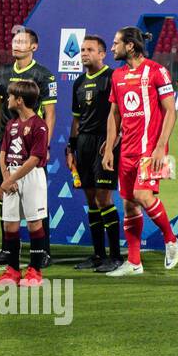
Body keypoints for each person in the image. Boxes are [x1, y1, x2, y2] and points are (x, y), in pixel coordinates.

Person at [102, 27, 178, 276]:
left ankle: (170, 239)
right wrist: (109, 147)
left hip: (152, 149)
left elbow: (171, 110)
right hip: (127, 150)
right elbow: (114, 115)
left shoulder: (157, 71)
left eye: (116, 43)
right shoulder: (117, 76)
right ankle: (134, 263)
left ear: (130, 46)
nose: (112, 48)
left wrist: (160, 148)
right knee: (128, 204)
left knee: (142, 195)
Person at [0, 27, 56, 268]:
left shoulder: (44, 75)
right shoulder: (2, 72)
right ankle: (7, 250)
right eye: (14, 40)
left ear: (34, 46)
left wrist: (46, 144)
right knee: (4, 192)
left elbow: (51, 114)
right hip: (5, 138)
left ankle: (42, 252)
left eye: (22, 41)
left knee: (35, 199)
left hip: (31, 140)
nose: (16, 44)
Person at [66, 35, 122, 272]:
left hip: (104, 143)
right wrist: (71, 147)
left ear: (102, 53)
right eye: (82, 49)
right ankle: (98, 255)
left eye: (90, 49)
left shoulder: (112, 78)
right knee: (91, 201)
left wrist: (113, 141)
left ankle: (116, 256)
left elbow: (119, 113)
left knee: (104, 199)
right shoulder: (78, 83)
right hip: (84, 145)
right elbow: (76, 120)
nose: (84, 53)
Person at [0, 81, 50, 287]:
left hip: (31, 176)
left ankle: (35, 271)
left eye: (10, 96)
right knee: (10, 224)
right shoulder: (11, 124)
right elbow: (2, 152)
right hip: (11, 176)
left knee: (35, 223)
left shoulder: (39, 125)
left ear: (19, 100)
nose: (7, 99)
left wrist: (11, 180)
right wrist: (6, 177)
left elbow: (35, 158)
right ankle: (13, 271)